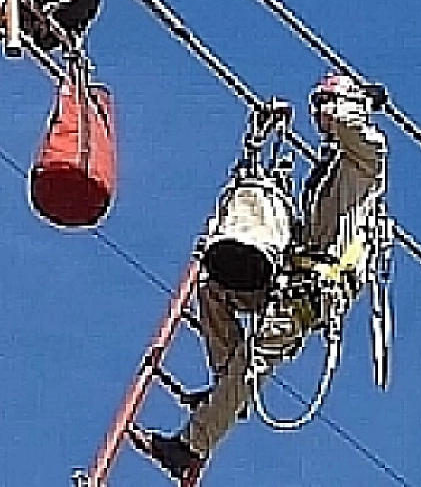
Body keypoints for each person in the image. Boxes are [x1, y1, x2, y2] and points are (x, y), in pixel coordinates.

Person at [132, 75, 389, 483]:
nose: (319, 114)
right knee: (212, 290)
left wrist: (355, 99)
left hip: (313, 291)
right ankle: (226, 397)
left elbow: (347, 124)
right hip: (292, 277)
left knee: (252, 361)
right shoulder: (330, 171)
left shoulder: (369, 155)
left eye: (325, 103)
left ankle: (190, 448)